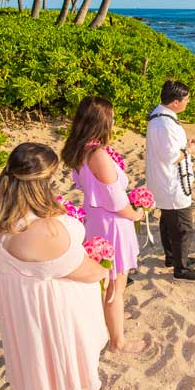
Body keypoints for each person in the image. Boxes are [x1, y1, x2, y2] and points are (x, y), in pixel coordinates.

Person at [0, 142, 108, 390]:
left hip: (19, 297)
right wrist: (104, 267)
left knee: (38, 352)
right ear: (40, 183)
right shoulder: (41, 230)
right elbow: (84, 272)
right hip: (47, 302)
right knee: (56, 352)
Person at [61, 96, 146, 354]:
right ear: (102, 121)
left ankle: (112, 316)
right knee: (115, 284)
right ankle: (118, 342)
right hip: (112, 224)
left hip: (95, 220)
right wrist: (137, 214)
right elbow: (116, 201)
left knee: (107, 279)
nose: (114, 120)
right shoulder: (98, 155)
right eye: (111, 116)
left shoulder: (79, 149)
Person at [146, 80, 195, 280]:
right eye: (186, 100)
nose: (188, 102)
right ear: (175, 102)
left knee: (168, 220)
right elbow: (171, 157)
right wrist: (189, 150)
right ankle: (181, 268)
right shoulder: (164, 123)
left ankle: (172, 257)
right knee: (183, 225)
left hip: (163, 179)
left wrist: (183, 146)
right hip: (170, 182)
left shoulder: (159, 116)